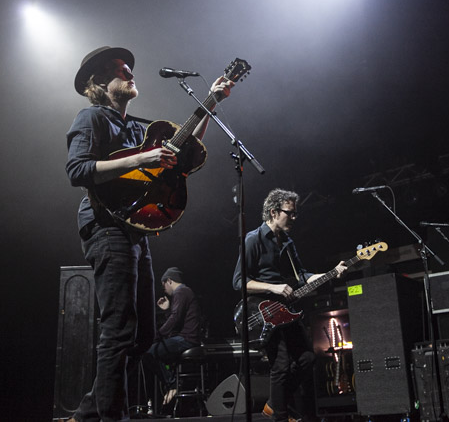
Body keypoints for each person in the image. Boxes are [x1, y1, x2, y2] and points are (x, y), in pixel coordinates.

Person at [65, 46, 233, 422]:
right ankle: (110, 416)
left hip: (135, 232)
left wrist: (211, 102)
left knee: (141, 338)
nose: (129, 72)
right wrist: (143, 158)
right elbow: (77, 170)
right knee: (119, 330)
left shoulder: (138, 128)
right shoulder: (91, 118)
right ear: (99, 83)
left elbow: (183, 149)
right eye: (119, 69)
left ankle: (91, 409)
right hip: (106, 226)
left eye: (128, 67)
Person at [232, 188, 347, 422]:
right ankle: (280, 417)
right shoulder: (253, 239)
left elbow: (302, 276)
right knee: (281, 366)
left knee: (308, 358)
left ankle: (276, 404)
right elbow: (238, 282)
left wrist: (330, 273)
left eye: (295, 214)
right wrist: (273, 287)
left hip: (287, 311)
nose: (294, 218)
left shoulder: (287, 242)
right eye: (290, 213)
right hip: (263, 312)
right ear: (274, 212)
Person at [141, 267, 203, 406]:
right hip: (185, 337)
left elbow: (175, 319)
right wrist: (168, 309)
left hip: (187, 339)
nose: (164, 290)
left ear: (169, 281)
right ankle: (169, 385)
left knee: (148, 353)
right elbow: (177, 319)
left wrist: (157, 335)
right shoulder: (183, 293)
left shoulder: (181, 291)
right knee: (154, 352)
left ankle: (172, 384)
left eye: (163, 285)